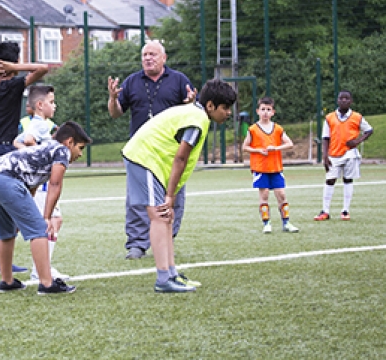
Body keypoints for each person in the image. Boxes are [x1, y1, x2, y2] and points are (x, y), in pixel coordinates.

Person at [122, 79, 236, 293]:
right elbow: (180, 158)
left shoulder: (196, 115)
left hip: (150, 161)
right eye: (225, 108)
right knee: (159, 215)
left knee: (166, 216)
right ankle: (163, 278)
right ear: (210, 105)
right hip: (144, 158)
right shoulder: (197, 120)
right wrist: (171, 195)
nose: (228, 113)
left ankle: (172, 273)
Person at [108, 40, 196, 260]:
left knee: (173, 195)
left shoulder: (178, 80)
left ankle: (166, 237)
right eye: (145, 54)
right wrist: (112, 98)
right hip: (140, 151)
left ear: (163, 58)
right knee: (137, 199)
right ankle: (137, 244)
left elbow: (190, 111)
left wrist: (191, 103)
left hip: (169, 151)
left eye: (153, 54)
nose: (148, 58)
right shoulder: (132, 81)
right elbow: (115, 113)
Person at [0, 121, 91, 294]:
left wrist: (21, 214)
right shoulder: (61, 150)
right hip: (5, 180)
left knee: (7, 231)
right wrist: (46, 217)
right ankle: (46, 283)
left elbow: (32, 184)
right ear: (69, 142)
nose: (80, 154)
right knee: (39, 229)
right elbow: (55, 184)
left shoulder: (45, 148)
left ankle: (7, 281)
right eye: (80, 148)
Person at [0, 41, 49, 273]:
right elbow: (43, 68)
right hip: (5, 149)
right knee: (8, 207)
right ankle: (1, 260)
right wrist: (12, 68)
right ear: (14, 63)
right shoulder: (15, 85)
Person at [13, 85, 68, 281]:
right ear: (39, 105)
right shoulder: (41, 124)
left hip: (39, 181)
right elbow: (27, 140)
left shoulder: (36, 123)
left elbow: (17, 142)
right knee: (51, 221)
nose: (54, 105)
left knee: (54, 221)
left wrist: (31, 155)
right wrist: (43, 156)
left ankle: (43, 267)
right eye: (51, 102)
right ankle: (41, 270)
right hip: (43, 183)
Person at [242, 97, 299, 234]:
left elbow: (289, 143)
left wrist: (276, 148)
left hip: (276, 167)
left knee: (281, 194)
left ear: (273, 112)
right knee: (264, 195)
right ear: (258, 111)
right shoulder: (253, 129)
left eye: (268, 109)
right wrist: (257, 150)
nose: (265, 112)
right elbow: (245, 147)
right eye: (263, 109)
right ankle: (266, 223)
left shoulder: (278, 128)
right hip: (261, 168)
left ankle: (286, 222)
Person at [314, 90, 373, 221]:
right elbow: (325, 137)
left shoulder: (357, 117)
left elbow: (369, 130)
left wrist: (358, 141)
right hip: (334, 153)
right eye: (341, 98)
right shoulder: (330, 118)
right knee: (330, 179)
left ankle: (345, 210)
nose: (344, 101)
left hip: (350, 153)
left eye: (347, 98)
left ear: (351, 101)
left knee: (348, 179)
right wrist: (325, 155)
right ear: (337, 100)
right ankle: (325, 211)